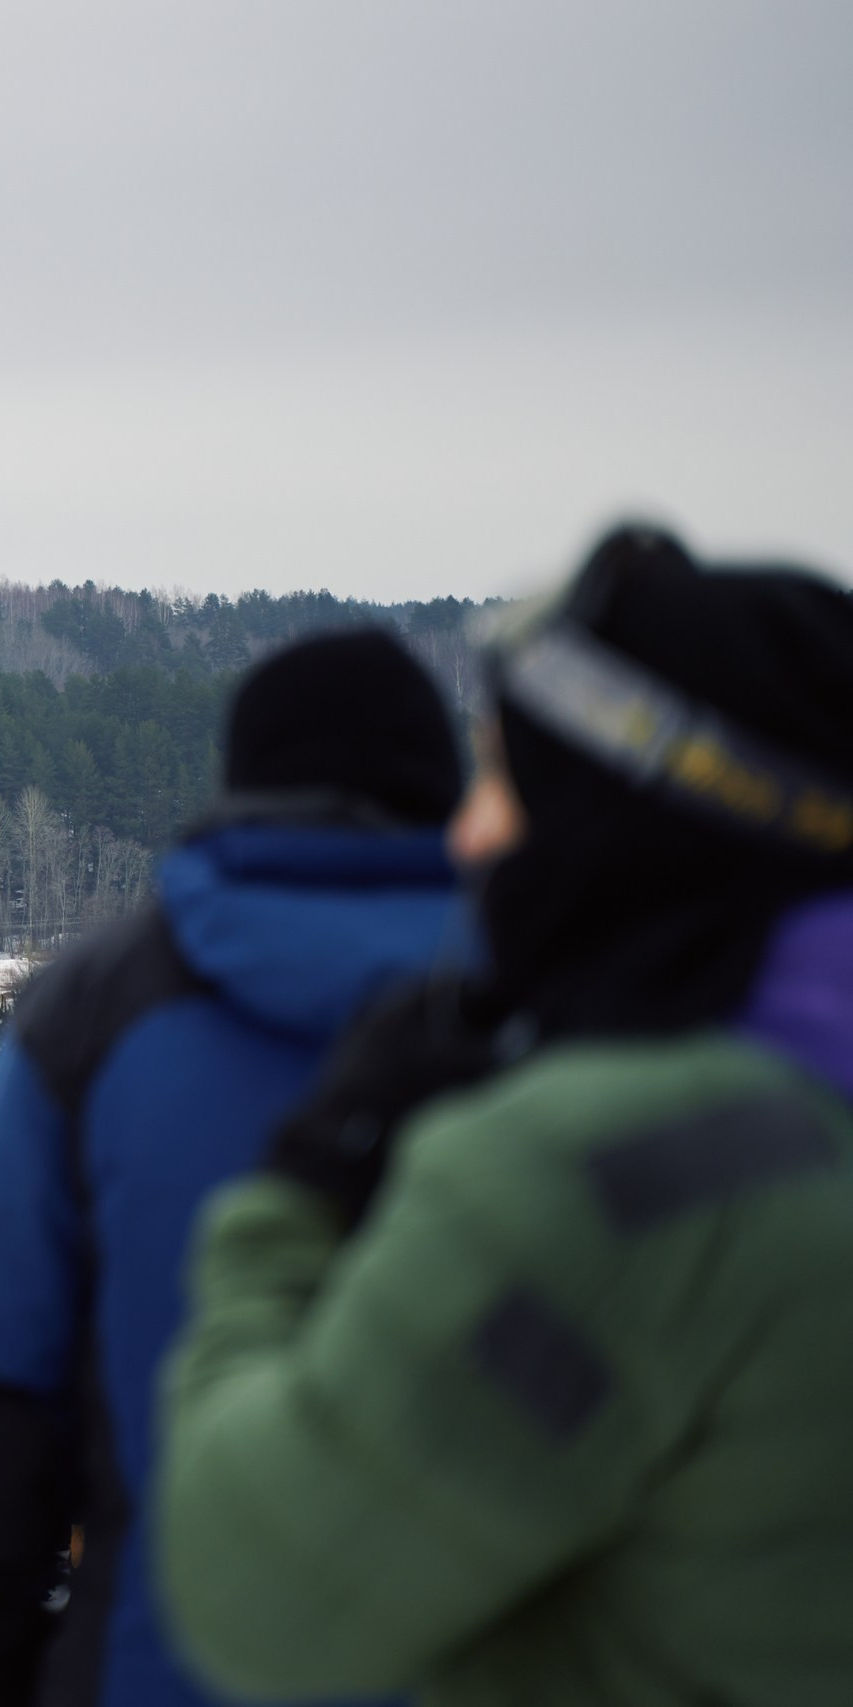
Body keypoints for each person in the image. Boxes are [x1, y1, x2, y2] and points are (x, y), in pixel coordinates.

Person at [158, 526, 853, 1703]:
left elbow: (260, 1597)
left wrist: (301, 1190)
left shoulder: (615, 1179)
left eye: (506, 779)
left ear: (625, 816)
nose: (466, 835)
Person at [0, 629, 466, 1707]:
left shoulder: (92, 1010)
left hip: (158, 1661)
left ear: (240, 781)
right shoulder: (560, 999)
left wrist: (0, 1654)